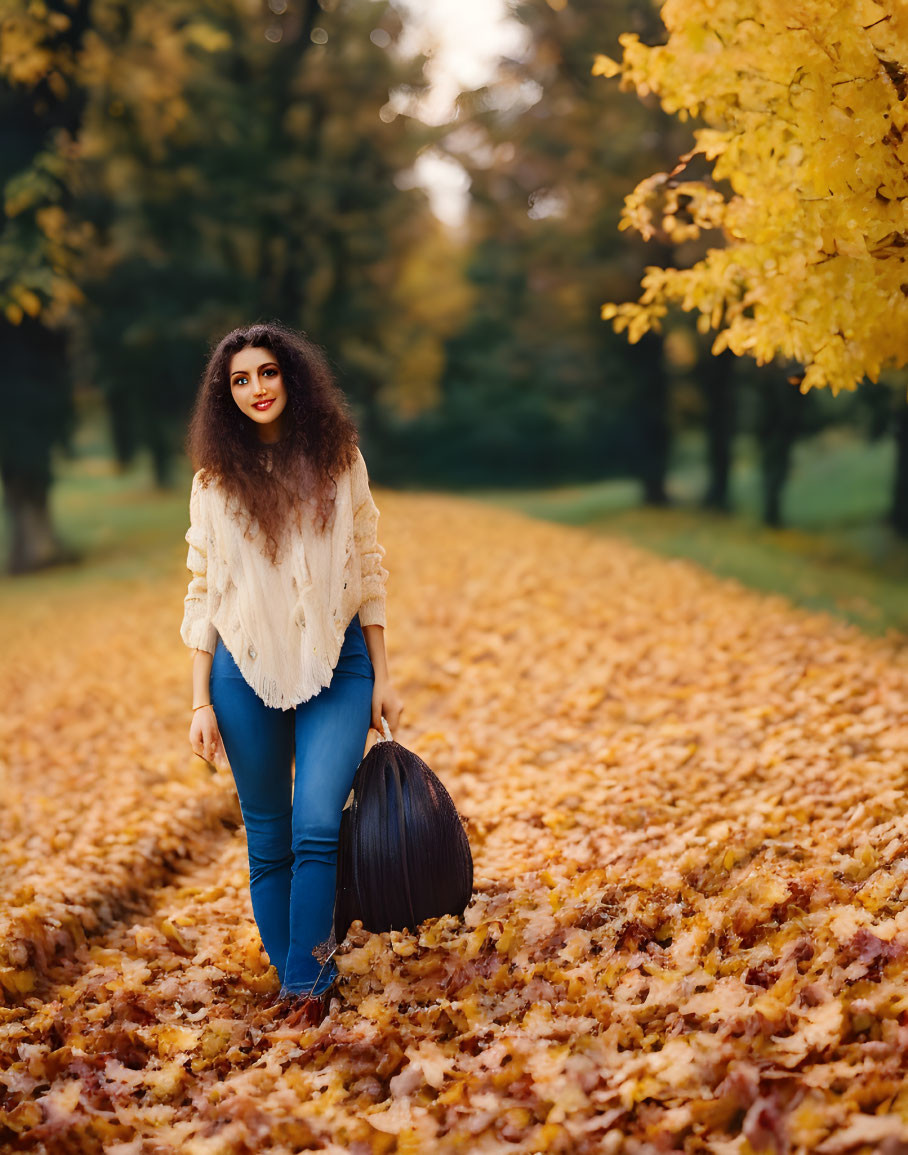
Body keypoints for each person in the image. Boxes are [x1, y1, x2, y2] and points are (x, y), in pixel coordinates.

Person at [179, 321, 404, 1024]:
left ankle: (306, 991)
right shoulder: (213, 483)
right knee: (269, 837)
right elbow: (203, 590)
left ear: (292, 376)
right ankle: (299, 983)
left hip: (339, 664)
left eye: (267, 373)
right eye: (240, 380)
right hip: (241, 675)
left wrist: (385, 674)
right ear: (227, 395)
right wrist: (198, 699)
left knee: (316, 826)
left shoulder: (340, 461)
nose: (256, 389)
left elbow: (367, 565)